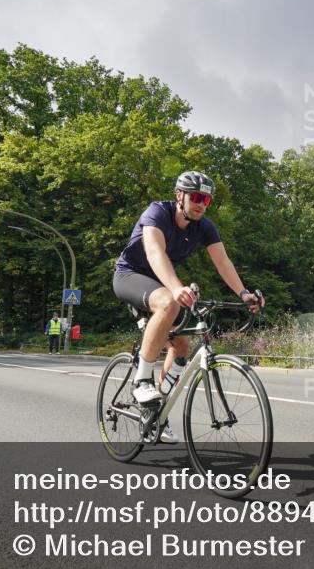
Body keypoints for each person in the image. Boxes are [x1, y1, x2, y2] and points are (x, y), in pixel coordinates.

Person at [113, 170, 264, 444]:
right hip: (130, 276)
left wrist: (243, 293)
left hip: (164, 284)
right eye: (196, 197)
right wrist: (175, 287)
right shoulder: (157, 212)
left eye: (206, 200)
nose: (200, 204)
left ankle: (156, 413)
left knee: (182, 345)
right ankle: (142, 381)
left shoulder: (205, 227)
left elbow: (223, 262)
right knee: (169, 302)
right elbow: (154, 252)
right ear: (179, 195)